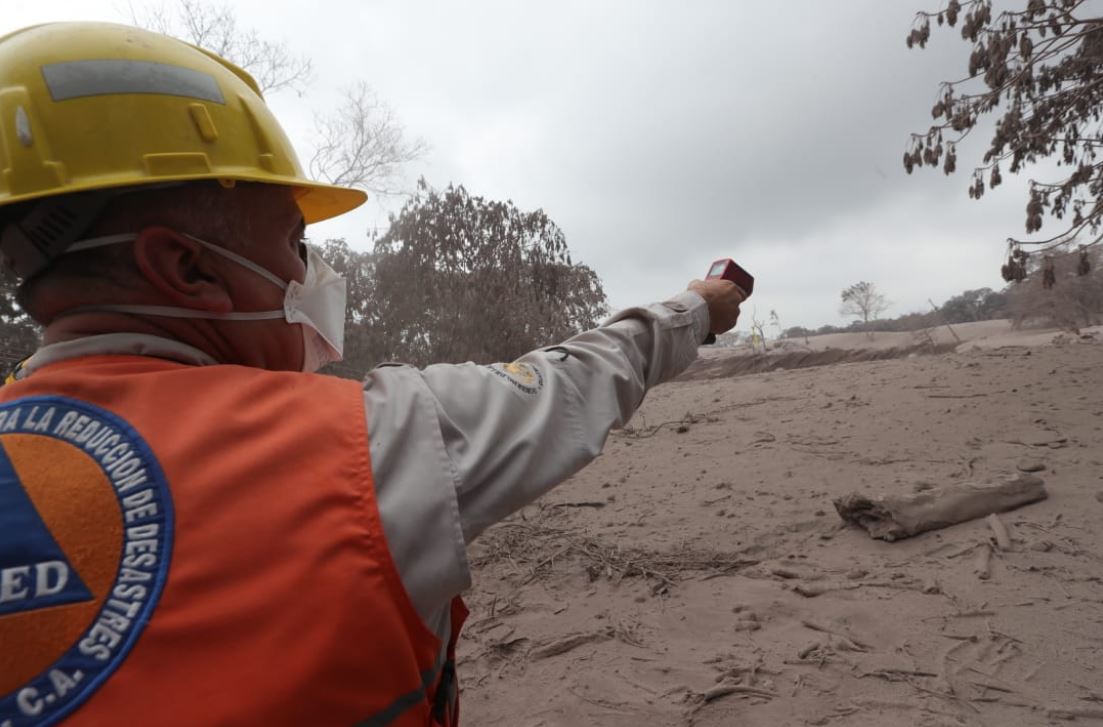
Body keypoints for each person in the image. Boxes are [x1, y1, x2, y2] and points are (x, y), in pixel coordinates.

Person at [0, 21, 744, 727]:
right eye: (295, 242)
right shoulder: (369, 448)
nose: (312, 272)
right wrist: (697, 308)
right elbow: (578, 378)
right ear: (186, 268)